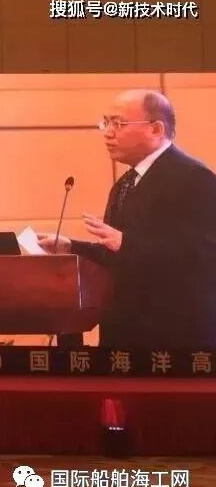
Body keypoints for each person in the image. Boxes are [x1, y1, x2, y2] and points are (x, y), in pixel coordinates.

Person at [37, 89, 216, 349]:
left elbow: (204, 254)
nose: (108, 133)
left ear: (156, 129)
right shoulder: (125, 183)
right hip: (125, 333)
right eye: (105, 123)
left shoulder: (194, 178)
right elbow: (117, 253)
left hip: (173, 337)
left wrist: (126, 243)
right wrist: (72, 247)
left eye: (118, 124)